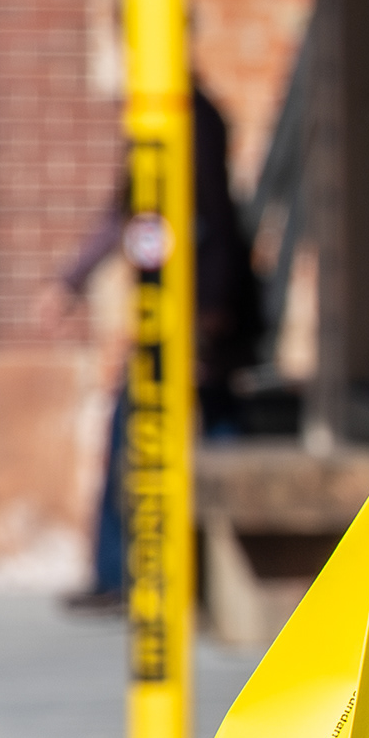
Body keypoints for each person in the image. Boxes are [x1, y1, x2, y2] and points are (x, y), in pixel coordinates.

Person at [64, 85, 265, 610]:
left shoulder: (189, 116)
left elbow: (216, 216)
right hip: (175, 310)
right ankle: (128, 571)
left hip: (194, 313)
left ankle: (139, 572)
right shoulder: (153, 114)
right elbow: (126, 211)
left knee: (163, 426)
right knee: (153, 424)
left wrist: (209, 314)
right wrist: (72, 279)